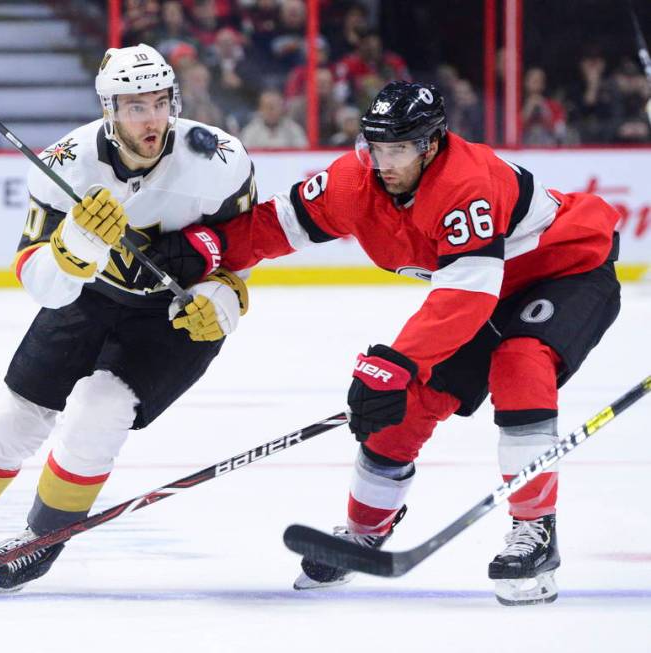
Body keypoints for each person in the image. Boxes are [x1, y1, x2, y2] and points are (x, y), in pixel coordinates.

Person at [153, 81, 621, 605]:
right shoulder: (354, 182)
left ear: (431, 143)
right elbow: (280, 224)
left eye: (398, 149)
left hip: (567, 268)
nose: (384, 162)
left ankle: (535, 531)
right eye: (376, 147)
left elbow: (466, 296)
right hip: (488, 288)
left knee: (519, 361)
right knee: (404, 406)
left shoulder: (467, 183)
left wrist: (395, 361)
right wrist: (211, 247)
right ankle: (364, 531)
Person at [0, 44, 256, 595]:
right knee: (16, 414)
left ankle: (40, 540)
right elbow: (38, 281)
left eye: (160, 102)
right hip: (89, 295)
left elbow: (244, 247)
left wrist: (223, 298)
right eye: (136, 106)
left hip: (172, 316)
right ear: (109, 111)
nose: (152, 118)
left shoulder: (220, 159)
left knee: (100, 412)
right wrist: (73, 247)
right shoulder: (66, 163)